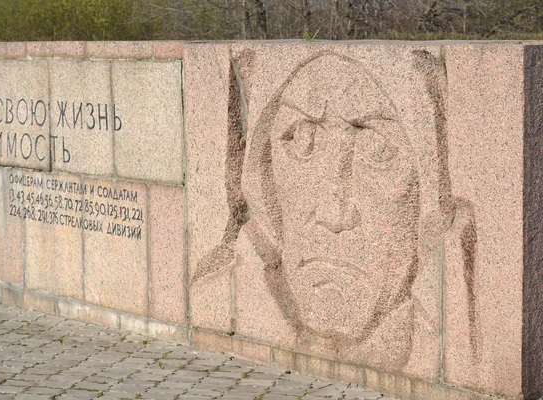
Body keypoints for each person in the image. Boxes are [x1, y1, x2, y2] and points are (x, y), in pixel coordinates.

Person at [192, 49, 478, 374]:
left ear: (428, 184)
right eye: (302, 140)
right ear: (263, 173)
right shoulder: (215, 296)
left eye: (378, 148)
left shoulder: (464, 341)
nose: (333, 212)